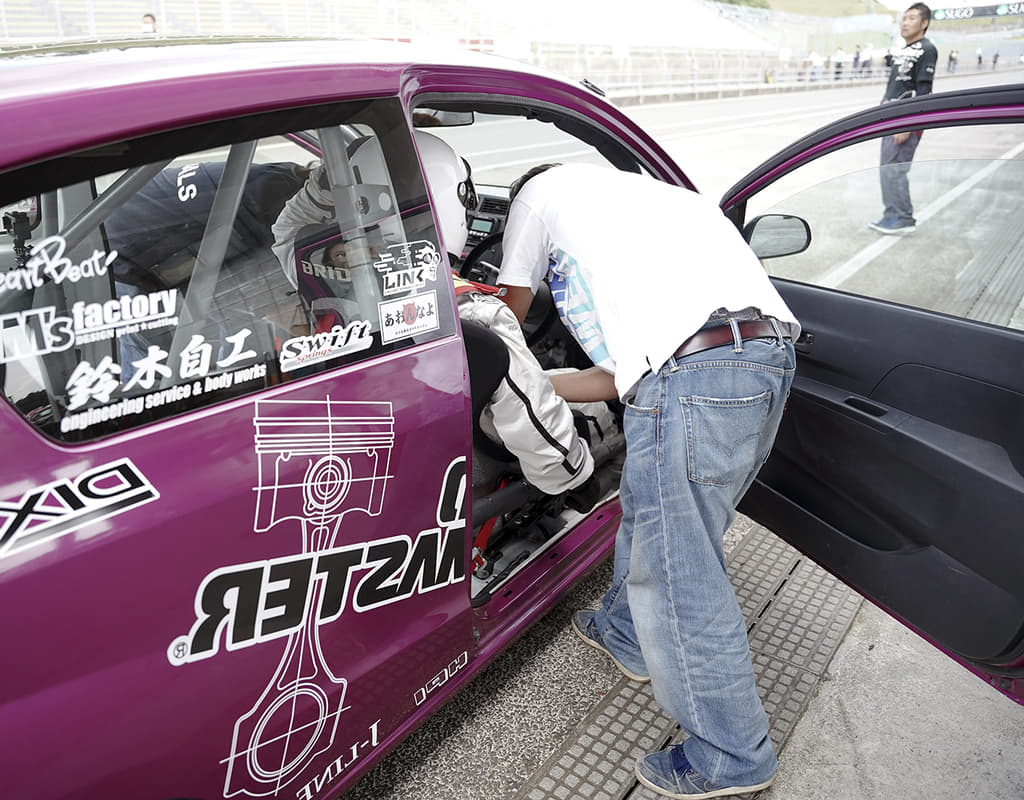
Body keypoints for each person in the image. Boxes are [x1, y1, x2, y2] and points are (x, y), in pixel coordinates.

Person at [496, 162, 800, 799]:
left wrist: (500, 377)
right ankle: (626, 632)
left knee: (681, 570)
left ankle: (731, 756)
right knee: (651, 507)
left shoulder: (539, 195)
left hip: (694, 371)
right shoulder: (656, 201)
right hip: (761, 356)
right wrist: (537, 387)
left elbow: (503, 320)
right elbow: (625, 377)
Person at [269, 132, 594, 497]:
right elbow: (536, 427)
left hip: (366, 434)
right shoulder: (475, 313)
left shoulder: (320, 276)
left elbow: (287, 229)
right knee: (582, 404)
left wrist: (329, 183)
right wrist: (573, 477)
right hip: (459, 458)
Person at [869, 3, 937, 236]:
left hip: (904, 118)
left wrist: (908, 123)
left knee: (895, 169)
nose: (905, 23)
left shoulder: (926, 49)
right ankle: (891, 214)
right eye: (904, 18)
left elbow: (923, 92)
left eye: (912, 18)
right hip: (891, 115)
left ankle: (903, 217)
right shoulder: (903, 49)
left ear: (924, 23)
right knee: (887, 168)